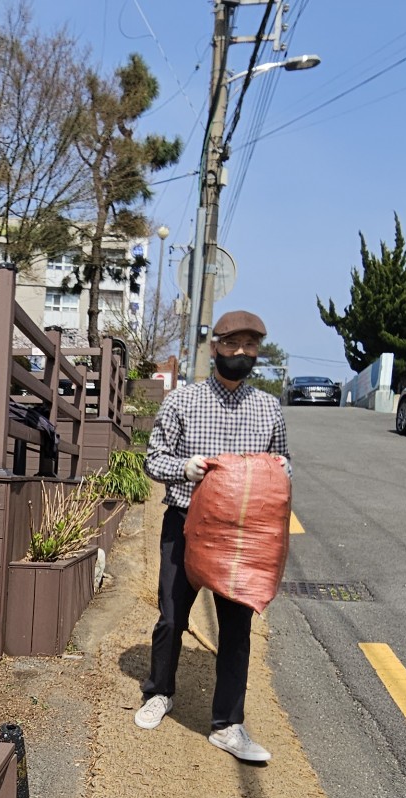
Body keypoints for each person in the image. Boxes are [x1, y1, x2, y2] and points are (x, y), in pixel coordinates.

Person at [135, 310, 290, 762]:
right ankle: (159, 692)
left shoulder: (268, 408)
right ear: (215, 347)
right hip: (186, 523)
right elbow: (153, 459)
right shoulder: (183, 401)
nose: (241, 352)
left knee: (237, 629)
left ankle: (228, 724)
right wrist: (184, 468)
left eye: (250, 345)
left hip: (243, 538)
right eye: (232, 343)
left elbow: (283, 464)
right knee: (171, 617)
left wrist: (281, 470)